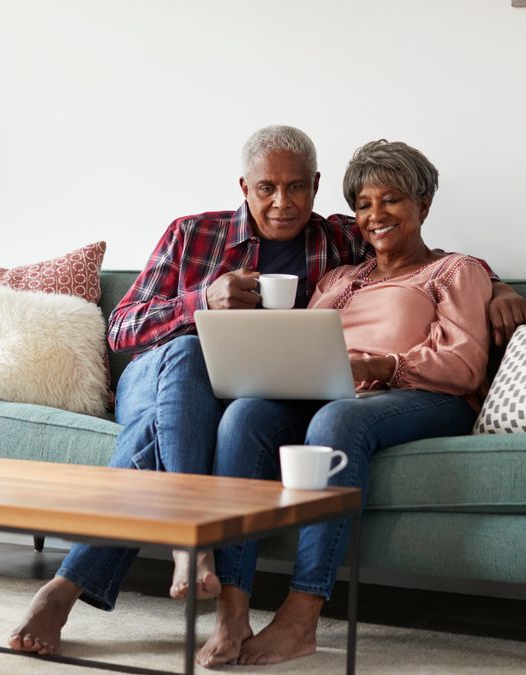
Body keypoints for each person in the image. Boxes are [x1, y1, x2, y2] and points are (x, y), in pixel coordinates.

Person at [8, 127, 526, 655]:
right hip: (160, 371)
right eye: (267, 189)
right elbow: (120, 331)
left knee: (235, 417)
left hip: (268, 392)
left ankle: (97, 589)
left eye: (298, 188)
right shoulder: (196, 234)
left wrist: (499, 285)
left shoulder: (338, 243)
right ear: (244, 186)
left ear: (315, 187)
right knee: (190, 358)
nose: (283, 203)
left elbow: (434, 261)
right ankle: (194, 538)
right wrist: (201, 303)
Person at [196, 139, 494, 667]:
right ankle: (232, 605)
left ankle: (300, 618)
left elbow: (466, 364)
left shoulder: (454, 271)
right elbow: (305, 344)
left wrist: (380, 366)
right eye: (363, 205)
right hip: (336, 393)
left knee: (338, 417)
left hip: (425, 397)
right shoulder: (338, 278)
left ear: (423, 205)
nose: (375, 215)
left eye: (392, 200)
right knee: (245, 415)